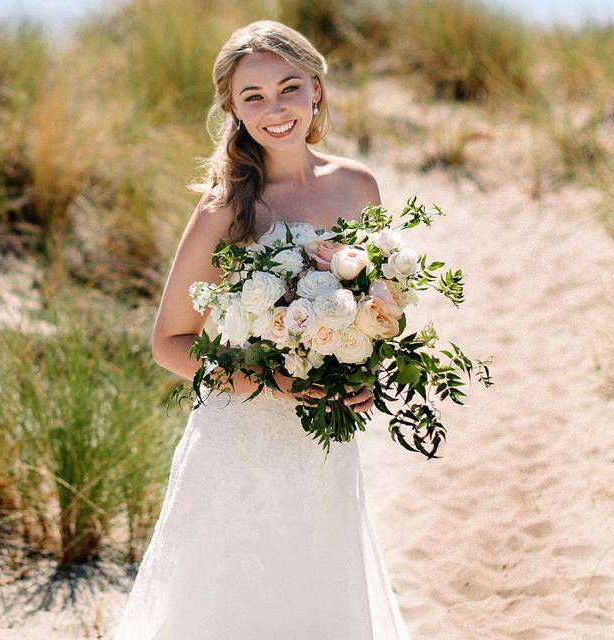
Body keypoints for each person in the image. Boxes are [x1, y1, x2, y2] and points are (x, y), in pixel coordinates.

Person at [111, 20, 413, 639]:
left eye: (289, 88)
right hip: (240, 438)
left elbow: (379, 304)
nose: (276, 110)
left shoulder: (358, 186)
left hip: (324, 442)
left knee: (319, 595)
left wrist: (361, 372)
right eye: (253, 96)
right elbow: (168, 342)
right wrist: (269, 381)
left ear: (317, 91)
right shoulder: (227, 206)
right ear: (233, 108)